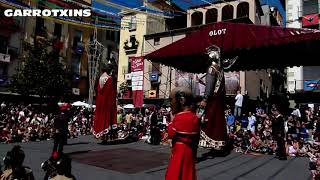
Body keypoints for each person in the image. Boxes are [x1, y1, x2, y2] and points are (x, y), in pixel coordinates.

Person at [199, 45, 229, 154]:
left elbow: (210, 87)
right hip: (219, 100)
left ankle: (211, 144)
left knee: (209, 122)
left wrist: (205, 99)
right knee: (218, 122)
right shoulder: (220, 70)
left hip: (212, 100)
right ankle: (219, 144)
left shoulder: (211, 69)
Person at [165, 87, 200, 180]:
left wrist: (172, 120)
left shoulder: (180, 117)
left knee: (175, 174)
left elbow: (171, 133)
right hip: (189, 151)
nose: (171, 104)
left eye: (171, 100)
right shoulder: (194, 118)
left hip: (179, 152)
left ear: (182, 100)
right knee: (187, 174)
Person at [93, 63, 117, 140]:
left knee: (100, 116)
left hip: (100, 101)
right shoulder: (109, 79)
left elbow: (98, 90)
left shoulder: (100, 78)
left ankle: (101, 133)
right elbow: (111, 92)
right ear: (110, 70)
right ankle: (107, 136)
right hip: (107, 101)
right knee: (107, 117)